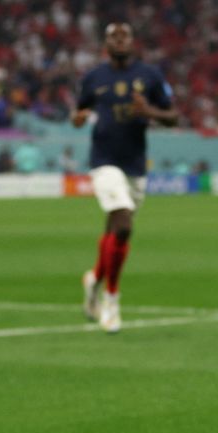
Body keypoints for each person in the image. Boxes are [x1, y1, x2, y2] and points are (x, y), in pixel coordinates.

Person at [72, 22, 178, 333]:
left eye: (125, 36)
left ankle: (94, 279)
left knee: (114, 231)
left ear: (132, 41)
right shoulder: (94, 77)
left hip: (135, 164)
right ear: (106, 43)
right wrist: (77, 117)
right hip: (103, 161)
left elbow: (172, 117)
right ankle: (111, 300)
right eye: (113, 37)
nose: (120, 41)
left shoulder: (150, 76)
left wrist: (150, 112)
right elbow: (79, 114)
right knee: (123, 223)